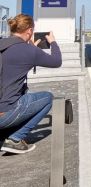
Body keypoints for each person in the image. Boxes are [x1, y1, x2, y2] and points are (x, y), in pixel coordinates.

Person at [0, 14, 61, 154]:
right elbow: (56, 61)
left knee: (23, 91)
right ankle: (15, 139)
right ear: (29, 31)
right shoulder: (29, 51)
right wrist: (52, 42)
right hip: (4, 115)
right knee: (47, 98)